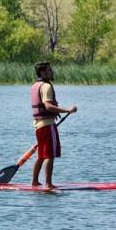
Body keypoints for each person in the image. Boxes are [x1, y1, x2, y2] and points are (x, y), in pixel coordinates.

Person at [30, 61, 77, 189]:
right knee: (49, 155)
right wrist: (67, 110)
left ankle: (35, 182)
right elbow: (48, 106)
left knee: (41, 155)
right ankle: (49, 184)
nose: (52, 72)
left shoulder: (35, 85)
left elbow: (46, 107)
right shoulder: (46, 86)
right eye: (50, 70)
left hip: (39, 126)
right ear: (43, 72)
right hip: (47, 126)